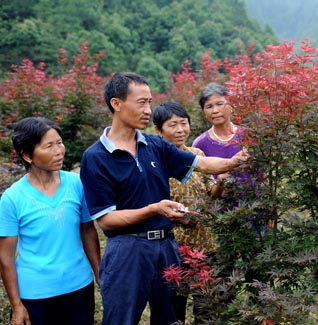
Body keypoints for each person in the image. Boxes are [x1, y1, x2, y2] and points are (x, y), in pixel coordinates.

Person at [79, 72, 247, 325]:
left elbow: (201, 162)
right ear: (117, 104)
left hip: (167, 247)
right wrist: (154, 209)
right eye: (141, 102)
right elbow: (107, 220)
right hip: (128, 249)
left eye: (149, 102)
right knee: (121, 318)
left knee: (170, 319)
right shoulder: (96, 157)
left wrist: (233, 161)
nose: (148, 110)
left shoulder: (154, 145)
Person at [0, 117, 100, 325]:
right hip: (35, 293)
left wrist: (100, 275)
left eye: (59, 142)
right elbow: (5, 257)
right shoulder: (12, 199)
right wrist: (17, 305)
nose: (59, 151)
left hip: (79, 285)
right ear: (28, 155)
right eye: (49, 146)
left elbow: (88, 230)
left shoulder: (76, 183)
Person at [152, 101, 224, 324]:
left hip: (205, 244)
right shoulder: (154, 162)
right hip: (175, 247)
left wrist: (220, 185)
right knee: (174, 308)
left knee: (206, 305)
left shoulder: (196, 154)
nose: (180, 130)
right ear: (158, 130)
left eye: (184, 123)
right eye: (173, 125)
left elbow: (209, 193)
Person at [193, 82, 265, 235]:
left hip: (254, 212)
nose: (215, 110)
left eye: (220, 104)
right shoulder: (200, 144)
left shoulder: (248, 136)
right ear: (204, 111)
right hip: (222, 217)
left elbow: (262, 176)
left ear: (230, 106)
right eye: (209, 106)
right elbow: (203, 187)